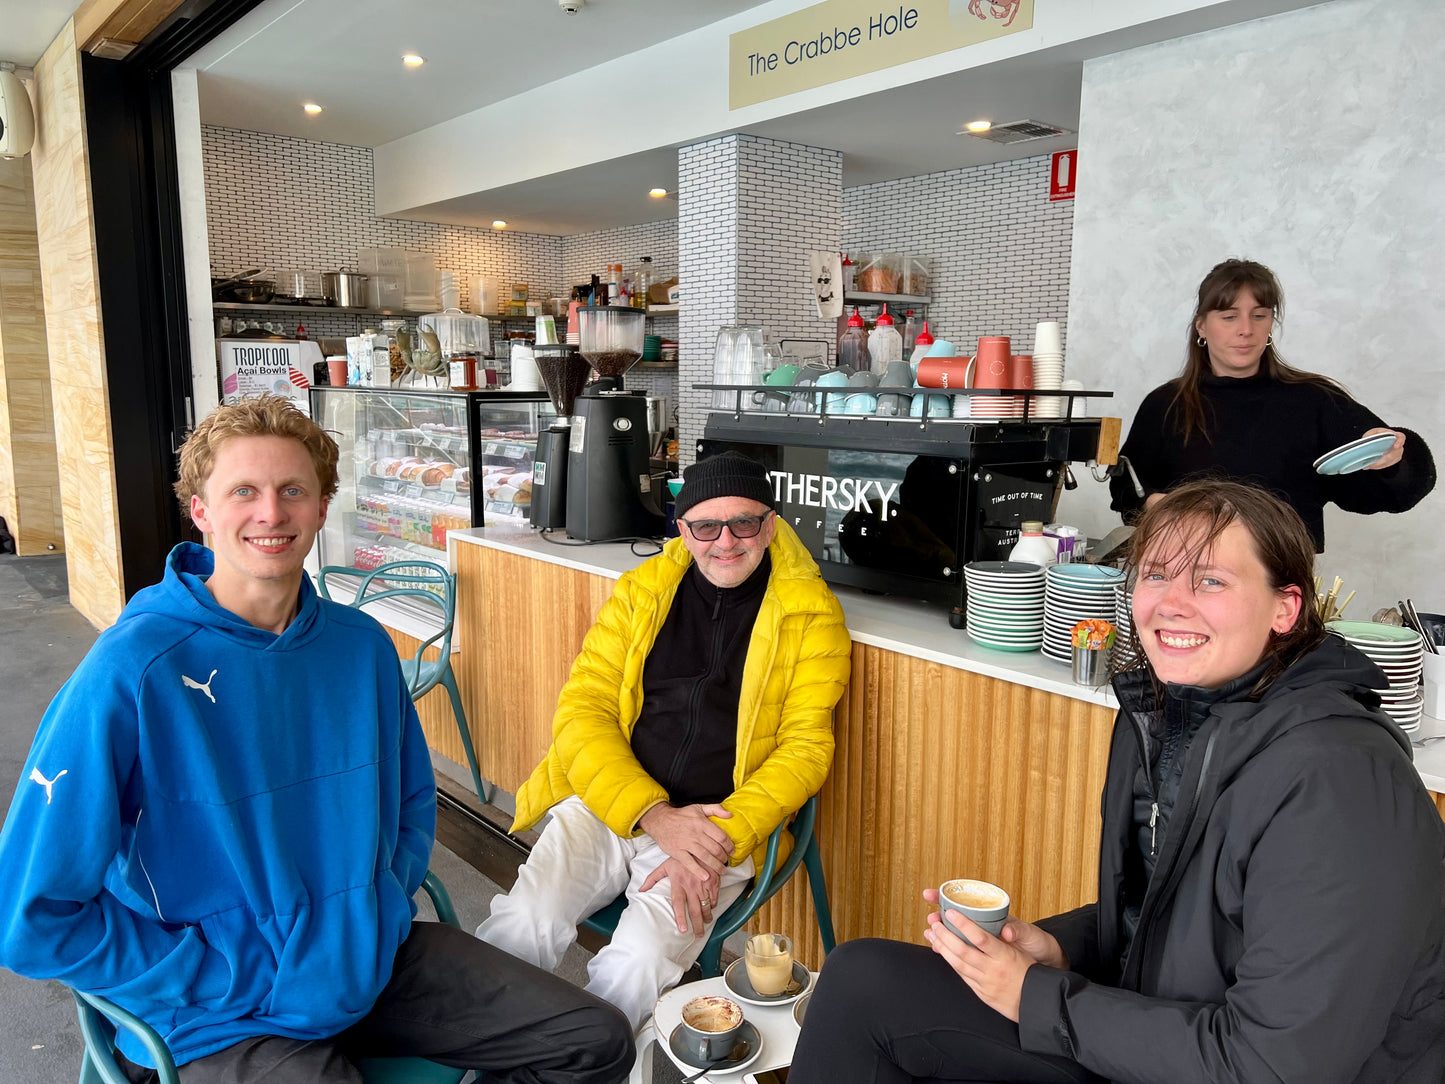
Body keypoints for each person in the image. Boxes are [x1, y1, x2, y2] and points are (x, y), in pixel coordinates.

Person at [0, 396, 632, 1084]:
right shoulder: (135, 668)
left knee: (593, 1039)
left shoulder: (360, 647)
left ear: (323, 508)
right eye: (244, 491)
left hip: (359, 964)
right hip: (213, 1009)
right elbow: (29, 913)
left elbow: (409, 808)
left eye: (293, 491)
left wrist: (371, 913)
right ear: (201, 511)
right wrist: (203, 973)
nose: (271, 513)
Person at [790, 479, 1445, 1084]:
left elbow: (1276, 1065)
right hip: (1169, 1035)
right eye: (1154, 574)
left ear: (1286, 608)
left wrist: (1036, 997)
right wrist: (1061, 949)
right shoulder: (1171, 714)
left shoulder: (1339, 779)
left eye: (1210, 580)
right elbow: (1174, 918)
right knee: (861, 982)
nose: (1170, 603)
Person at [477, 450, 852, 1029]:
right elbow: (583, 711)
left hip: (716, 825)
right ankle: (479, 1043)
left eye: (743, 523)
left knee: (638, 963)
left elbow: (805, 750)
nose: (725, 542)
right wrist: (653, 815)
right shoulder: (642, 592)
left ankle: (581, 1064)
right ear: (682, 528)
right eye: (706, 526)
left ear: (771, 525)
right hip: (610, 802)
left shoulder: (812, 615)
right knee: (524, 921)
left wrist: (714, 842)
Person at [1110, 258, 1435, 551]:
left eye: (1259, 315)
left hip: (1281, 580)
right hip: (1185, 570)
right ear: (1202, 326)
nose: (1246, 330)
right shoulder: (1165, 404)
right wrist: (1156, 504)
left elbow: (1388, 491)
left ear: (1270, 324)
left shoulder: (1315, 400)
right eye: (1229, 316)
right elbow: (1128, 487)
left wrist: (1393, 460)